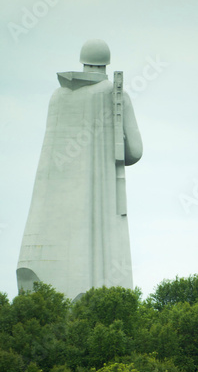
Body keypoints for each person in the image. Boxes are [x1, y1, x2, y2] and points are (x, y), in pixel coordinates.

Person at [17, 39, 143, 301]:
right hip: (101, 206)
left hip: (47, 216)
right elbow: (135, 152)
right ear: (106, 63)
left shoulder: (58, 96)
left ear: (82, 60)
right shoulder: (114, 93)